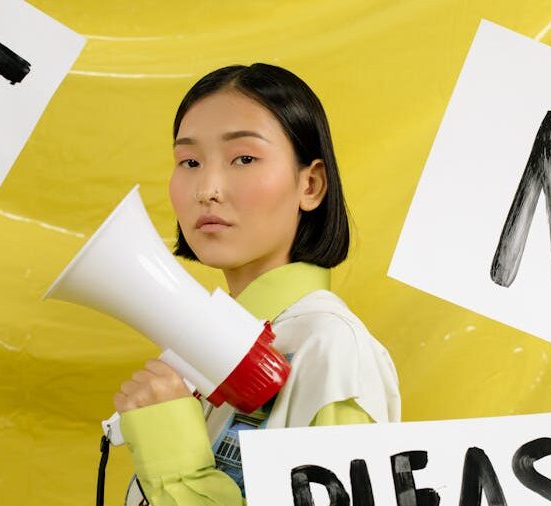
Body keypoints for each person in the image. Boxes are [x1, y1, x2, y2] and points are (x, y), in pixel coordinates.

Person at [115, 62, 401, 505]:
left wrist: (172, 454)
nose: (206, 189)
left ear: (311, 184)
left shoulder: (333, 349)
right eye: (189, 161)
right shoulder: (202, 350)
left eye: (244, 159)